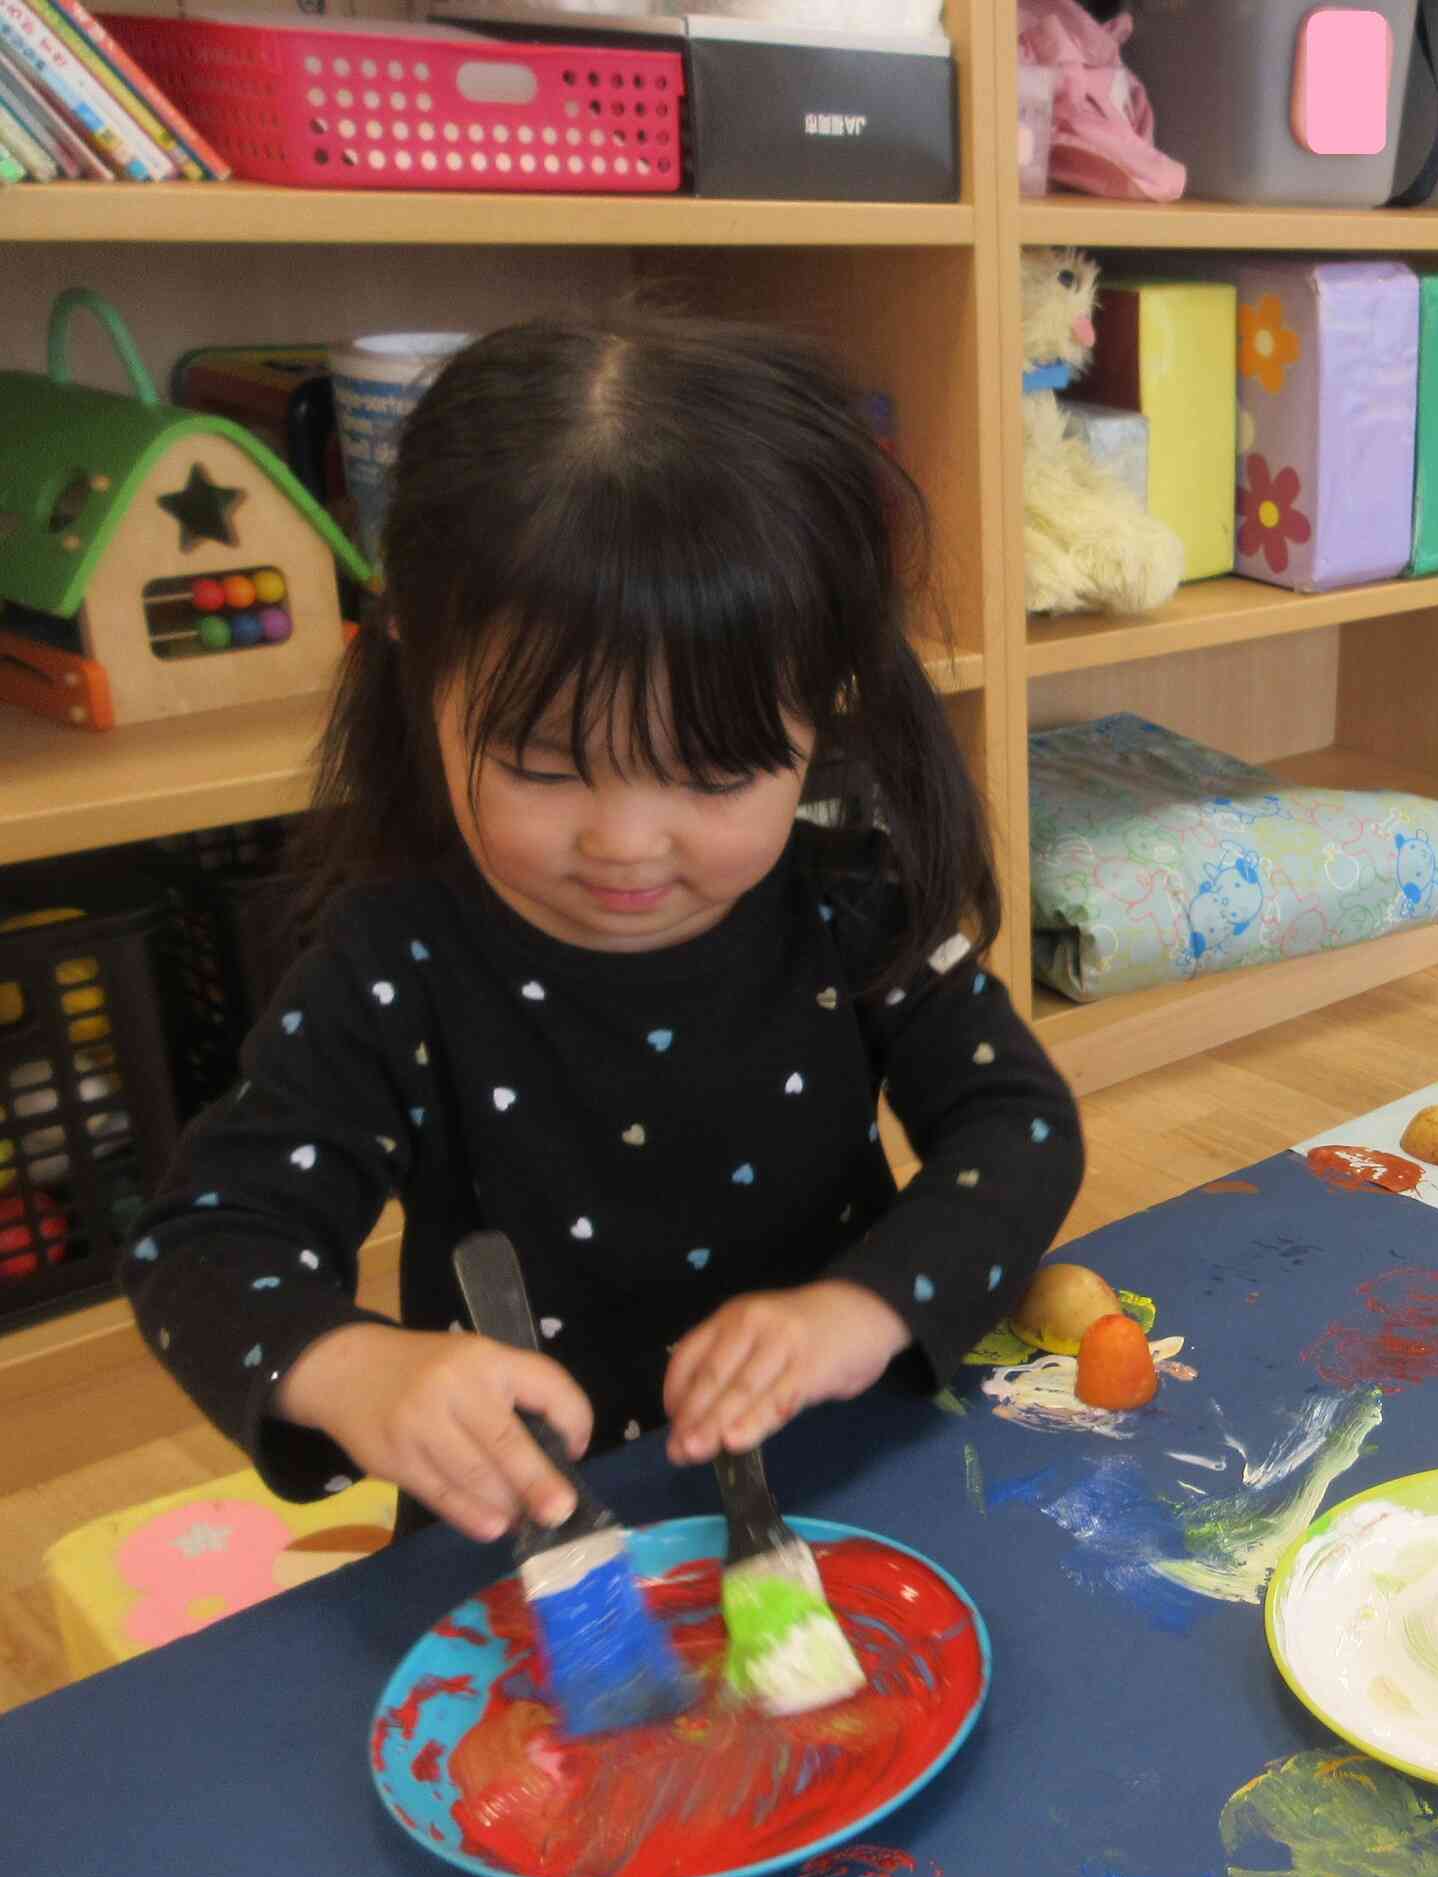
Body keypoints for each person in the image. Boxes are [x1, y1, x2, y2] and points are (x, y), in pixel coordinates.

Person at [122, 312, 1084, 1542]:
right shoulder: (393, 964)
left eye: (713, 773)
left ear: (825, 702)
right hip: (533, 1538)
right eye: (543, 764)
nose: (626, 843)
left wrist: (866, 1311)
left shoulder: (854, 906)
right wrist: (354, 1370)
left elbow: (1018, 1124)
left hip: (837, 1479)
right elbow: (203, 1241)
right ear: (417, 661)